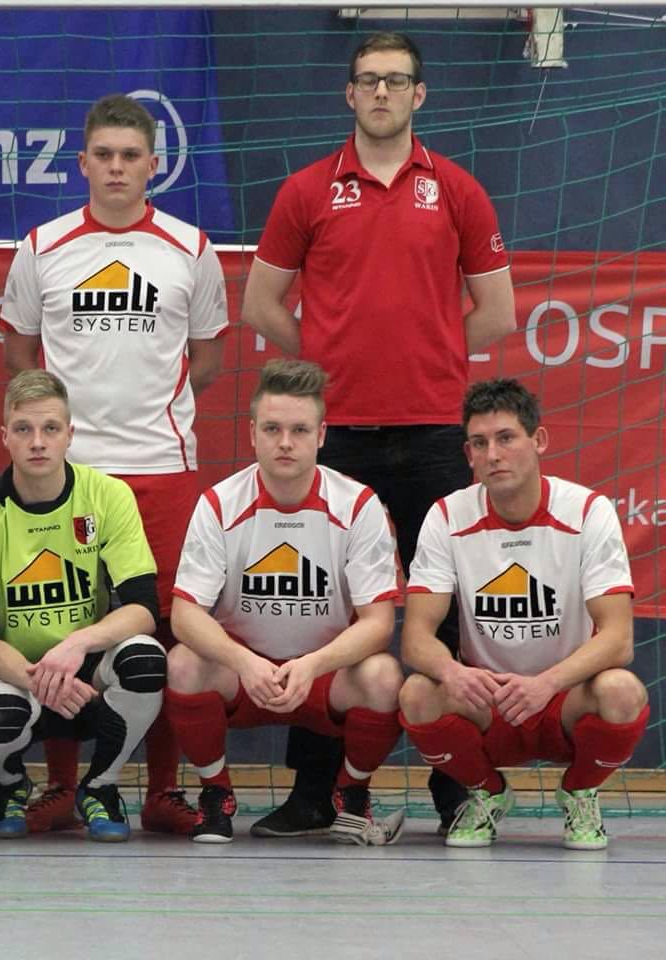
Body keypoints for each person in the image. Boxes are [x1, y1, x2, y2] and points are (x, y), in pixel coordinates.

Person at [240, 31, 516, 837]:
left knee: (449, 612)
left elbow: (497, 311)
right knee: (324, 610)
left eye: (397, 81)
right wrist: (325, 364)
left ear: (419, 94)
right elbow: (260, 304)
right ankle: (313, 793)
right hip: (340, 439)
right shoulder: (307, 190)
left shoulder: (458, 189)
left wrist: (431, 356)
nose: (383, 93)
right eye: (369, 81)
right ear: (350, 93)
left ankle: (458, 790)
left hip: (434, 433)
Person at [0, 93, 227, 835]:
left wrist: (149, 416)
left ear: (154, 164)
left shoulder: (191, 248)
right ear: (83, 163)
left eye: (131, 156)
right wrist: (66, 437)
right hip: (70, 475)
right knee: (63, 623)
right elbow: (20, 352)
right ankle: (67, 787)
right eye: (104, 155)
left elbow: (207, 357)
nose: (117, 167)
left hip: (162, 467)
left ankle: (162, 790)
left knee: (161, 635)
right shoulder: (44, 245)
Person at [165, 359, 407, 845]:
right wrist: (245, 662)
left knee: (384, 676)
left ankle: (350, 798)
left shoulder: (358, 505)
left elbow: (379, 622)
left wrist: (313, 665)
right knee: (183, 664)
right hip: (244, 676)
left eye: (299, 430)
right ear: (252, 433)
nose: (285, 442)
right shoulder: (219, 503)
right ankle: (216, 795)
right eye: (272, 429)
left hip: (322, 677)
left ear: (321, 435)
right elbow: (185, 615)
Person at [400, 378, 646, 850]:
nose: (493, 454)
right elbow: (416, 639)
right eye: (479, 443)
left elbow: (619, 639)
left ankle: (580, 792)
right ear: (468, 454)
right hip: (489, 700)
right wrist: (453, 672)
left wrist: (547, 684)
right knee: (417, 693)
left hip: (564, 698)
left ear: (539, 440)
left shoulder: (587, 511)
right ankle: (487, 793)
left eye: (506, 438)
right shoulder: (447, 516)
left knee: (622, 690)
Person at [0, 370, 166, 842]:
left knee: (145, 658)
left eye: (50, 428)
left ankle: (101, 786)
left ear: (70, 434)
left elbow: (143, 607)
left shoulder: (108, 496)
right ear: (4, 437)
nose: (38, 442)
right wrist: (40, 679)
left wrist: (77, 645)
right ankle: (8, 783)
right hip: (16, 675)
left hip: (87, 675)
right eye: (24, 429)